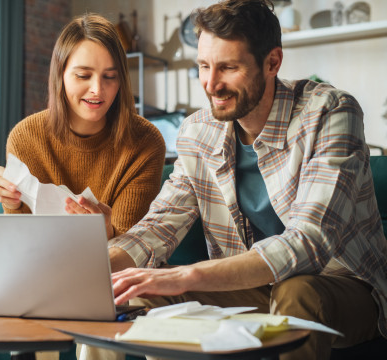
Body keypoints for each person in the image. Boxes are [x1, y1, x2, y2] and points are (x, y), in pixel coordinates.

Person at [108, 1, 387, 359]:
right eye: (204, 66)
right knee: (138, 290)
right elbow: (159, 226)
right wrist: (99, 266)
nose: (211, 84)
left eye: (228, 67)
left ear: (272, 62)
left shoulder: (329, 111)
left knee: (297, 291)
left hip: (342, 285)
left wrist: (187, 275)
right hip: (251, 286)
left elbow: (309, 242)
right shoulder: (197, 132)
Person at [0, 14, 166, 251]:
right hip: (41, 270)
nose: (97, 89)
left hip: (118, 275)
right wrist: (7, 195)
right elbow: (22, 241)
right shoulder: (25, 138)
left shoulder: (146, 141)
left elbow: (130, 248)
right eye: (83, 75)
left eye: (110, 77)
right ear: (60, 75)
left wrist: (106, 232)